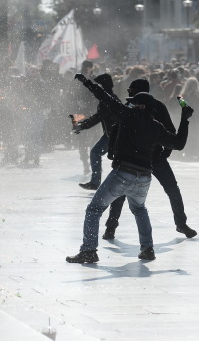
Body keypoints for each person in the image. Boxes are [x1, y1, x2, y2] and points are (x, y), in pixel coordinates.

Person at [66, 74, 192, 263]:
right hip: (144, 177)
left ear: (140, 106)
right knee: (140, 209)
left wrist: (87, 82)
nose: (130, 104)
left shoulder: (127, 116)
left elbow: (105, 97)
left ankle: (89, 250)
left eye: (133, 102)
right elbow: (178, 143)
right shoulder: (156, 127)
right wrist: (185, 119)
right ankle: (148, 248)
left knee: (94, 209)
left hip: (123, 172)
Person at [103, 78, 198, 240]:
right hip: (148, 157)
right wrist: (166, 152)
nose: (129, 93)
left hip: (145, 157)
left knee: (122, 192)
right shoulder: (148, 106)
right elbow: (117, 130)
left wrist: (113, 152)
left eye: (130, 90)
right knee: (171, 190)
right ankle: (111, 226)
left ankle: (111, 227)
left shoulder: (137, 106)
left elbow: (116, 130)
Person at [74, 73, 117, 190]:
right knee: (99, 154)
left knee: (96, 153)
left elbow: (98, 117)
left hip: (114, 134)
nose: (97, 89)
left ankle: (96, 183)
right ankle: (101, 183)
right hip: (111, 133)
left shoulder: (108, 100)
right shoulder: (109, 98)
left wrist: (82, 126)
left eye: (100, 86)